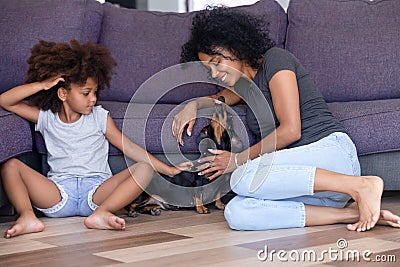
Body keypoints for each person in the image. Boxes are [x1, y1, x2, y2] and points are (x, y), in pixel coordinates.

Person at [172, 6, 400, 232]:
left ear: (234, 47)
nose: (214, 74)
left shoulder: (276, 60)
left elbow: (291, 130)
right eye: (207, 69)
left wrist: (237, 159)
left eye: (216, 62)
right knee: (237, 212)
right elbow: (218, 99)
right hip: (309, 186)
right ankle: (350, 213)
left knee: (241, 176)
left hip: (331, 154)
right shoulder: (246, 87)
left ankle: (361, 185)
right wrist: (193, 104)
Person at [0, 39, 185, 239]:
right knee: (11, 166)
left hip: (97, 193)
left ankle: (102, 213)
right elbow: (5, 101)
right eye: (86, 93)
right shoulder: (46, 117)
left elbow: (128, 146)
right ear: (63, 93)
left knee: (144, 168)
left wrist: (168, 169)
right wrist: (42, 85)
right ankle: (27, 216)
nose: (93, 99)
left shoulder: (99, 116)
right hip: (58, 194)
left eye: (95, 92)